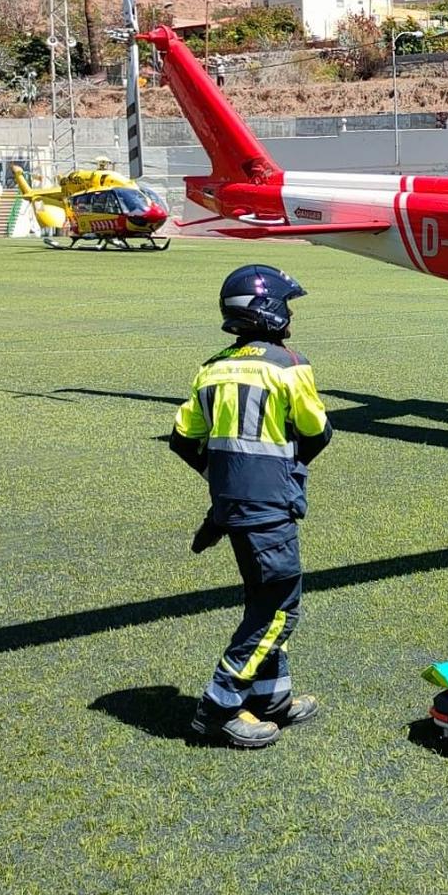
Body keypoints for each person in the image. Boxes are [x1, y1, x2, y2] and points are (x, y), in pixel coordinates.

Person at [169, 264, 333, 749]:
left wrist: (225, 481)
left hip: (234, 508)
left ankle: (271, 700)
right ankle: (218, 708)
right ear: (270, 313)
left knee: (264, 600)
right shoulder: (288, 364)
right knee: (279, 610)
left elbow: (183, 439)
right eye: (287, 306)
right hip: (268, 509)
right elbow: (316, 432)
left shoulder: (212, 366)